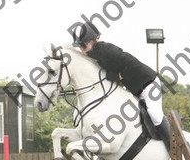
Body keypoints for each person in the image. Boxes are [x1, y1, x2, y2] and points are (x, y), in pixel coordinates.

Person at [71, 22, 171, 152]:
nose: (82, 50)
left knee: (155, 115)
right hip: (135, 89)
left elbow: (130, 62)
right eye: (80, 47)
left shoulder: (106, 50)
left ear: (92, 41)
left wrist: (119, 76)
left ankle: (173, 150)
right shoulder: (95, 55)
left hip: (148, 84)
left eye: (83, 46)